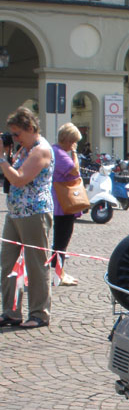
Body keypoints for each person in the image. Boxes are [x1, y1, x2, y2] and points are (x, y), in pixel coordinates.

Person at [0, 107, 54, 329]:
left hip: (35, 213)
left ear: (31, 129)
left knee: (36, 265)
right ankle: (11, 312)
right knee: (7, 264)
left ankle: (39, 313)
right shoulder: (24, 149)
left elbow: (19, 179)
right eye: (12, 134)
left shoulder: (40, 150)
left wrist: (2, 159)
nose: (14, 138)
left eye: (17, 134)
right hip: (15, 213)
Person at [50, 123, 84, 286]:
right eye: (73, 142)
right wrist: (75, 153)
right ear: (69, 140)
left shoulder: (54, 151)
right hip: (62, 204)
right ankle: (59, 275)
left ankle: (60, 272)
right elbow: (75, 170)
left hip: (59, 203)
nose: (73, 145)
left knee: (60, 240)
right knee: (61, 240)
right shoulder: (61, 154)